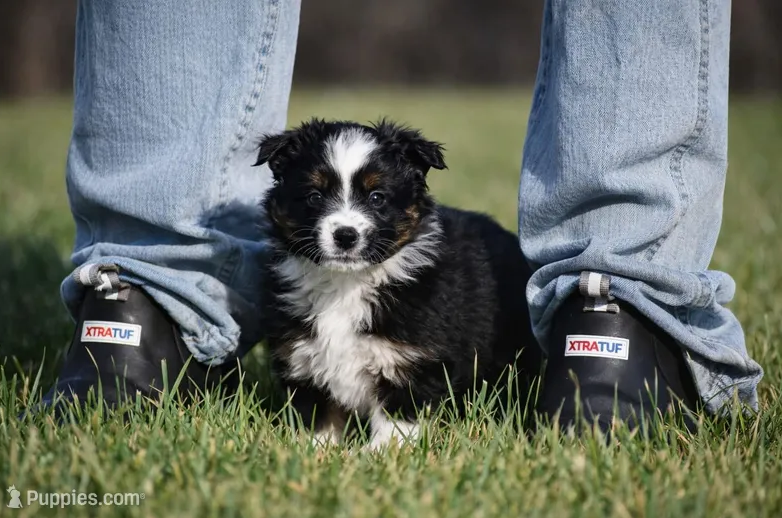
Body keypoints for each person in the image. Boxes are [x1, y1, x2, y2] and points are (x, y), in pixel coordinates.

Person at [43, 0, 762, 430]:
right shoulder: (295, 278)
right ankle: (625, 292)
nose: (347, 220)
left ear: (413, 198)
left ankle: (150, 277)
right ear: (283, 191)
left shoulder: (438, 288)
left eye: (374, 197)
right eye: (320, 194)